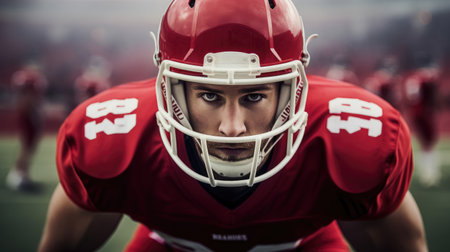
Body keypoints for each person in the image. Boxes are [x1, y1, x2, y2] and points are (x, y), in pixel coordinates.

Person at [38, 0, 427, 251]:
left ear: (291, 93)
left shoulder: (352, 143)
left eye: (254, 96)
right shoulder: (113, 141)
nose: (232, 128)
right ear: (172, 92)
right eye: (210, 96)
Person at [6, 62, 47, 192]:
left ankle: (22, 175)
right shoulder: (29, 78)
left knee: (29, 147)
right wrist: (35, 112)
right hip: (29, 114)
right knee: (27, 147)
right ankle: (17, 176)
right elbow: (27, 98)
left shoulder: (27, 78)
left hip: (29, 114)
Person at [403, 53, 441, 187]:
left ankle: (427, 171)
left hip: (416, 112)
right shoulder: (424, 78)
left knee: (425, 143)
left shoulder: (413, 78)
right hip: (424, 112)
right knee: (428, 143)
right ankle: (429, 173)